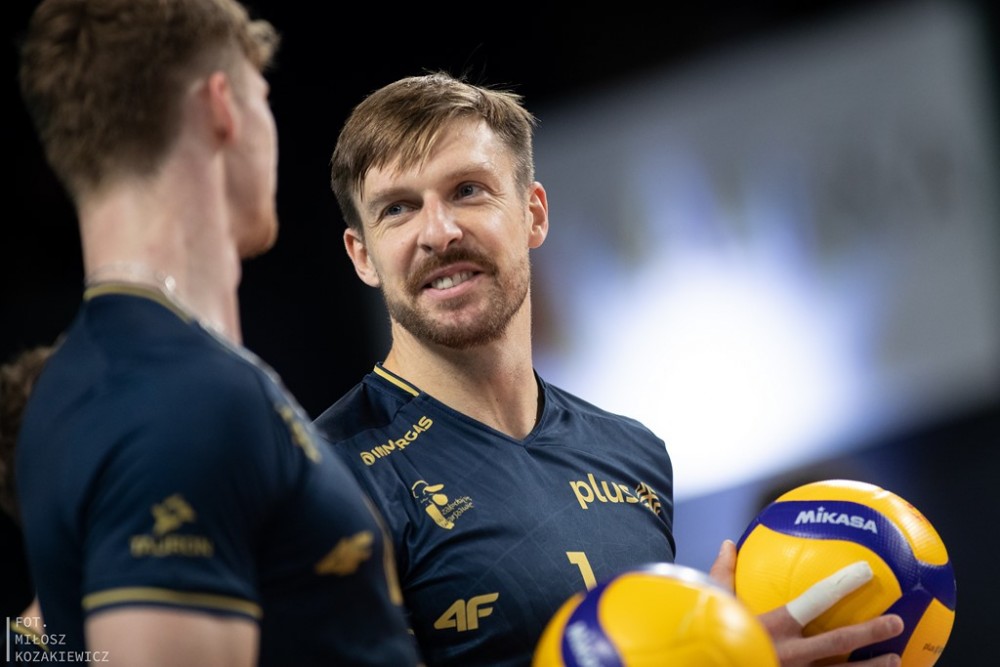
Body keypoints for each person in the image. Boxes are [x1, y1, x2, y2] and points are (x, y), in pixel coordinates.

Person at [314, 72, 904, 666]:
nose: (439, 232)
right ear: (363, 256)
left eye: (468, 191)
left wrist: (719, 643)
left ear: (533, 214)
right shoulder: (330, 477)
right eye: (398, 209)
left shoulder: (632, 452)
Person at [14, 2, 420, 665]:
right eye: (264, 99)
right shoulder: (181, 398)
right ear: (222, 107)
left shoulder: (82, 389)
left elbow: (58, 644)